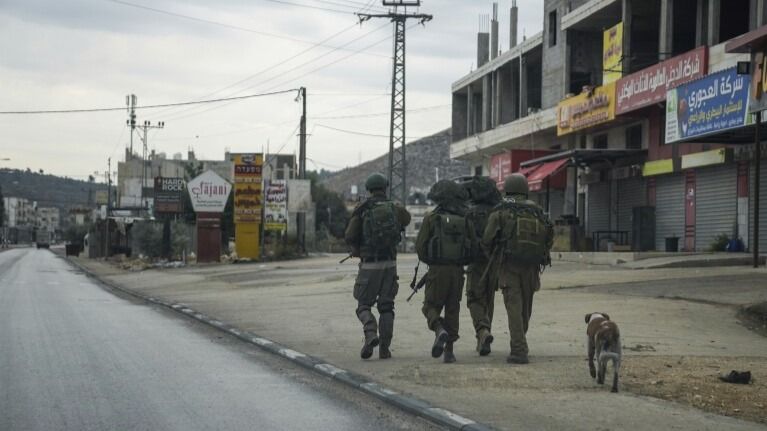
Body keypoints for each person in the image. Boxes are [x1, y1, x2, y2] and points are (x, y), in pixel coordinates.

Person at [481, 174, 553, 364]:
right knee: (525, 309)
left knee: (514, 307)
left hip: (509, 265)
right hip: (532, 267)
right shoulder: (536, 210)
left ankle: (519, 350)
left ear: (508, 189)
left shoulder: (501, 210)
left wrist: (495, 259)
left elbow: (487, 240)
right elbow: (548, 238)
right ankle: (520, 340)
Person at [344, 173, 411, 360]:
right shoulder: (394, 208)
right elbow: (406, 220)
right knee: (387, 307)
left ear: (369, 189)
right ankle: (384, 349)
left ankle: (370, 332)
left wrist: (357, 248)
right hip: (390, 265)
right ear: (385, 187)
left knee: (363, 305)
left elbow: (349, 235)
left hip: (369, 266)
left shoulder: (363, 209)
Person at [415, 180, 476, 363]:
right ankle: (449, 352)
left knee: (429, 306)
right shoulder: (466, 220)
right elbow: (473, 248)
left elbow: (420, 247)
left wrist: (433, 262)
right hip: (458, 272)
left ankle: (438, 328)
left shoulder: (431, 218)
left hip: (437, 270)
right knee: (452, 309)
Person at [462, 176, 502, 356]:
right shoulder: (499, 211)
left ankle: (483, 331)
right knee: (488, 301)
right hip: (495, 263)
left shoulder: (469, 212)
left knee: (474, 299)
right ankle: (483, 338)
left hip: (476, 262)